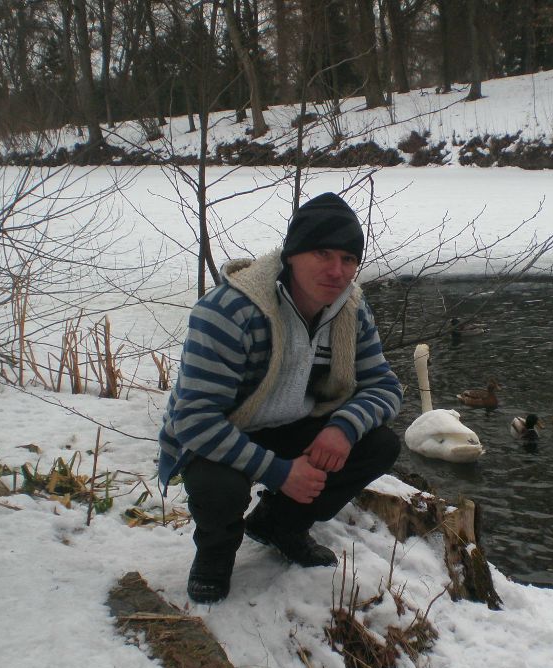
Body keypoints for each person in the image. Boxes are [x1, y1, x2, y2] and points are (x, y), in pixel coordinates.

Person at [158, 192, 403, 604]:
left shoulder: (351, 310)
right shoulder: (228, 312)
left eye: (348, 259)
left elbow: (384, 386)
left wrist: (342, 429)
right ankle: (214, 554)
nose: (337, 271)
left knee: (378, 443)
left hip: (292, 424)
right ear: (291, 254)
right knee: (217, 486)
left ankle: (279, 524)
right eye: (323, 253)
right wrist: (279, 472)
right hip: (222, 430)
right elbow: (195, 421)